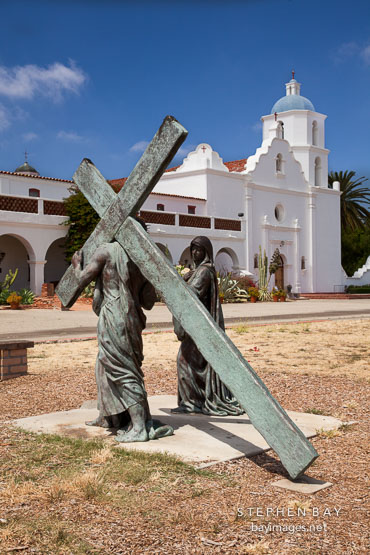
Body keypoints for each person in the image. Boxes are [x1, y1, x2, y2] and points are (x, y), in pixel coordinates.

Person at [71, 219, 173, 442]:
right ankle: (111, 416)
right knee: (104, 364)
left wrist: (76, 264)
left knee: (122, 369)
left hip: (113, 315)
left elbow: (81, 279)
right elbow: (148, 302)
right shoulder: (143, 259)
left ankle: (138, 426)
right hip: (131, 317)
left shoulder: (105, 251)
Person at [173, 236, 244, 416]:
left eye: (198, 250)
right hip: (195, 325)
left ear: (206, 252)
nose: (195, 253)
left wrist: (180, 281)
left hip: (200, 326)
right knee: (191, 362)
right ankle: (194, 400)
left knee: (185, 360)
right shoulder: (199, 271)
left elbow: (193, 293)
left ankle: (193, 402)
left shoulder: (204, 271)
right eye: (193, 250)